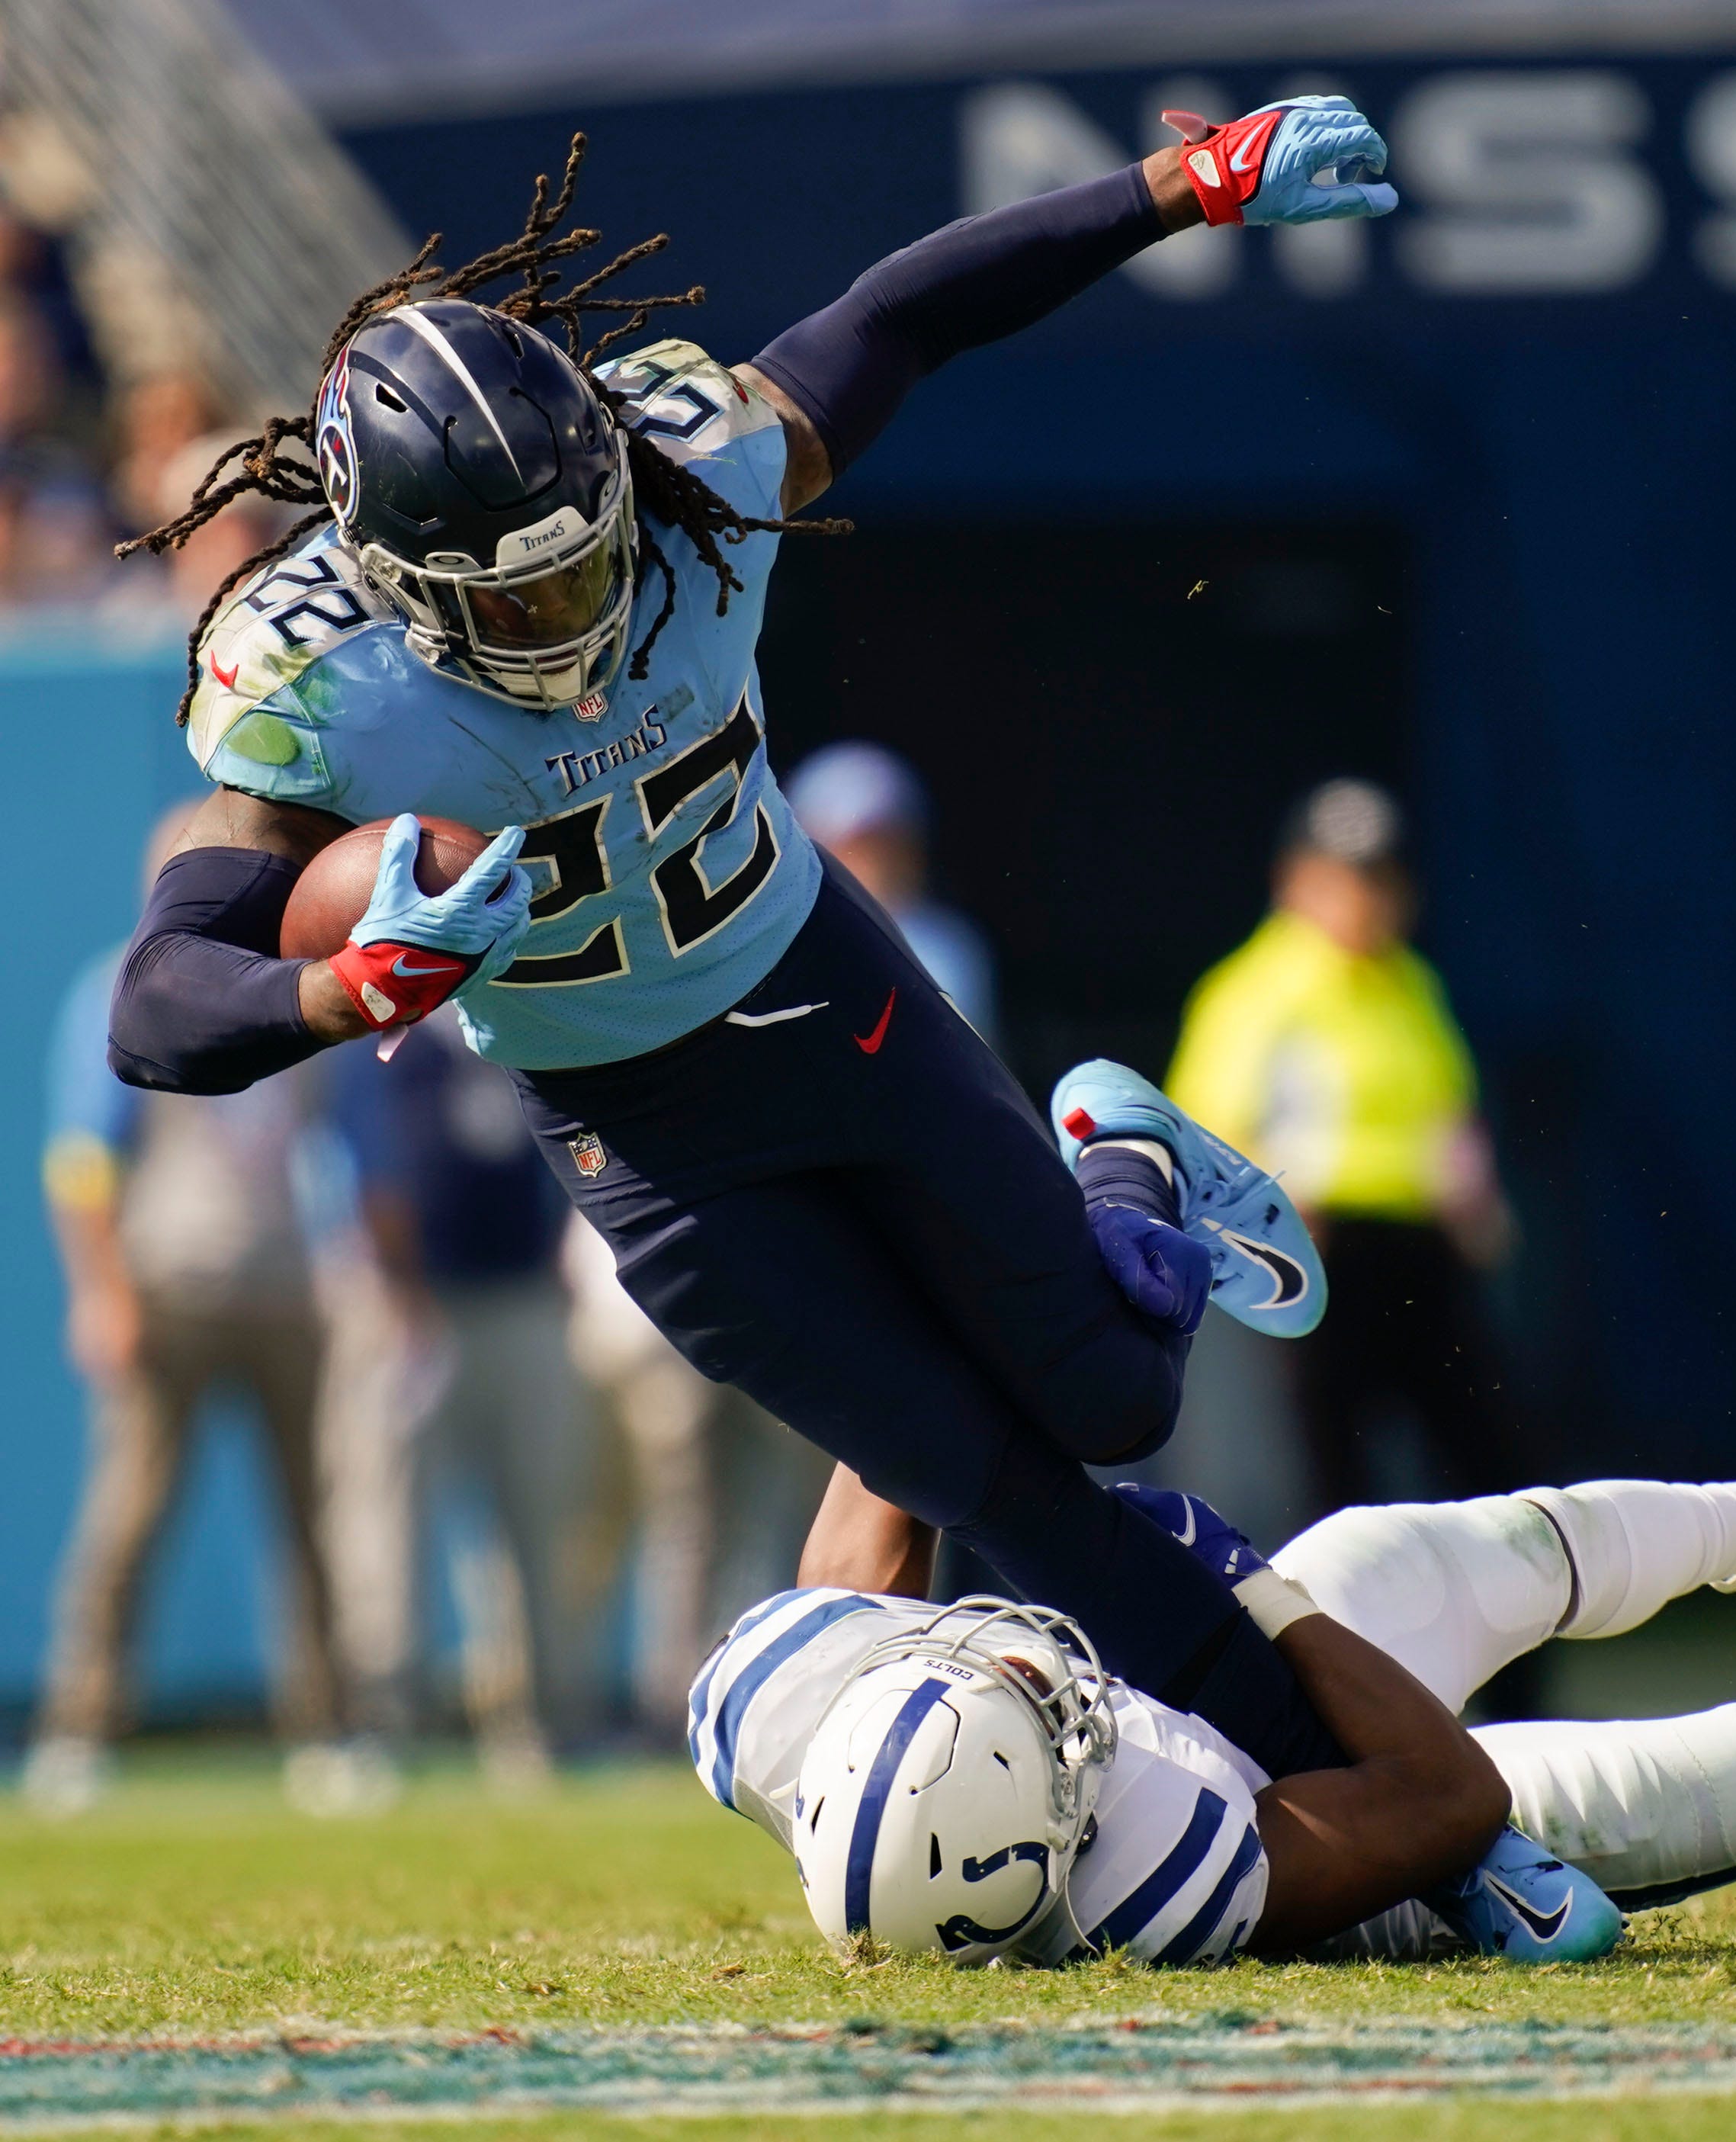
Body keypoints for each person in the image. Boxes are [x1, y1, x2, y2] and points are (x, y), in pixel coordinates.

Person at [100, 119, 1418, 1839]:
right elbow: (157, 1002)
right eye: (527, 586)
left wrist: (1178, 188)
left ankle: (1123, 1155)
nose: (583, 596)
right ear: (405, 590)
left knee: (1116, 1395)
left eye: (590, 547)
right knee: (997, 1483)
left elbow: (906, 314)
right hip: (644, 1135)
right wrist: (346, 990)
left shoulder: (695, 473)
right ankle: (1351, 1807)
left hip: (826, 989)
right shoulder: (318, 687)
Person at [697, 1386, 1736, 1964]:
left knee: (1481, 1542)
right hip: (1377, 1836)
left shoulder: (783, 1696)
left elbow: (890, 1469)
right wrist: (1251, 1592)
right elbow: (1446, 1791)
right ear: (1066, 1832)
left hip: (1220, 1720)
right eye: (1052, 1723)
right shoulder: (1159, 1886)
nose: (1047, 1675)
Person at [28, 807, 345, 1813]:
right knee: (132, 1513)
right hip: (171, 1285)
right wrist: (102, 1290)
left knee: (312, 1518)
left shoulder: (288, 981)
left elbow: (331, 1147)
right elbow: (82, 1160)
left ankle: (330, 1727)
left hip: (286, 1284)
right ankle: (81, 1725)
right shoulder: (117, 992)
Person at [1167, 779, 1528, 1513]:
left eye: (1380, 877)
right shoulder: (1253, 989)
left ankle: (1524, 1621)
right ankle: (1343, 1628)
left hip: (1422, 1249)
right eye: (1342, 877)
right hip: (1315, 1256)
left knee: (1491, 1453)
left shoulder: (1411, 983)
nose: (1364, 898)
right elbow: (1205, 1131)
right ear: (1295, 880)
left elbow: (1445, 1107)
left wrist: (1476, 1195)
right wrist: (1272, 1222)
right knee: (1333, 1475)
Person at [324, 1010, 597, 1783]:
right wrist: (398, 1290)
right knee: (385, 1523)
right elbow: (365, 1165)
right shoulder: (379, 1040)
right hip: (404, 1307)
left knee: (540, 1519)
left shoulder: (536, 1027)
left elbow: (589, 1144)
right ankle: (383, 1720)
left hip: (523, 1301)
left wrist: (575, 1241)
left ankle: (542, 1722)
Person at [560, 1210, 830, 1723]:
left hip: (751, 1318)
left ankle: (747, 1690)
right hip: (655, 1329)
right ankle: (675, 1697)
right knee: (679, 1527)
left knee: (751, 1522)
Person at [784, 741, 1000, 1055]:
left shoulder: (944, 951)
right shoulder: (766, 948)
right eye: (855, 846)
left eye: (888, 845)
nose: (876, 863)